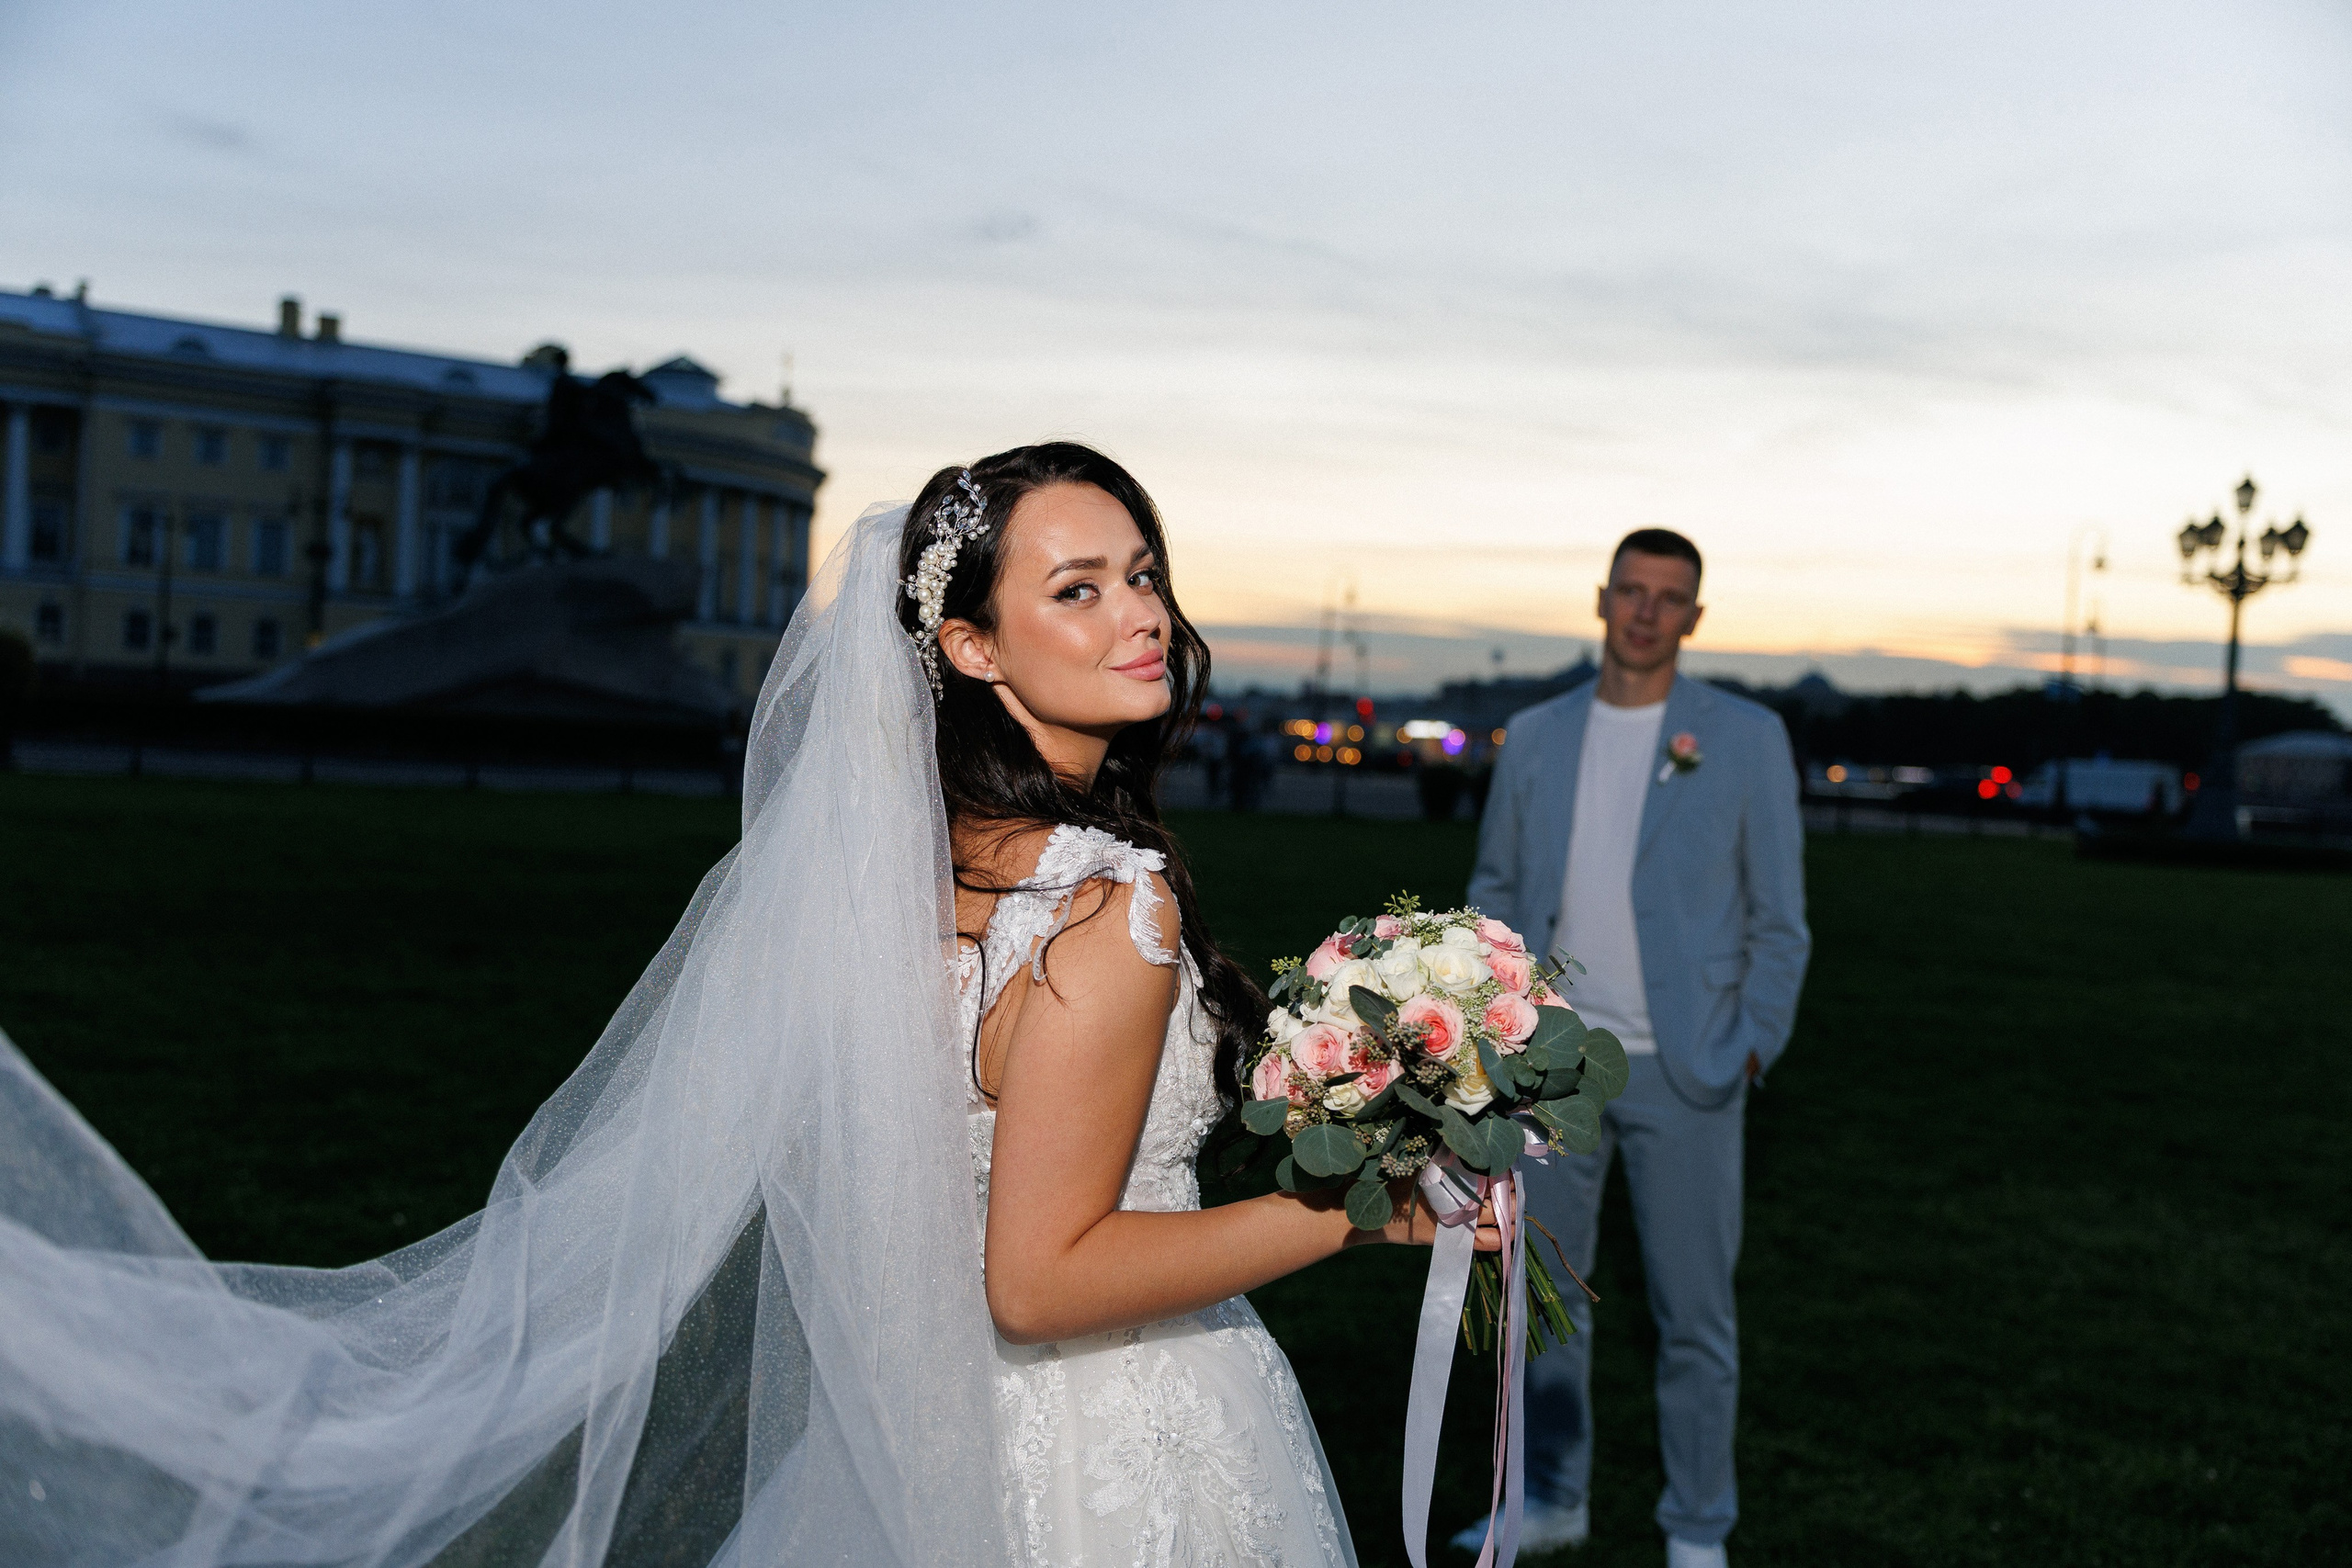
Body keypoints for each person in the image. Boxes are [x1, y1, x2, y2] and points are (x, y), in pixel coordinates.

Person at [0, 441, 1493, 1568]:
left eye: (1145, 571)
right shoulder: (1111, 906)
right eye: (1078, 588)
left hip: (893, 1417)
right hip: (1114, 1445)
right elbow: (1039, 1278)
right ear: (969, 648)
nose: (1140, 614)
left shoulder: (900, 872)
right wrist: (1366, 1209)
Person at [1459, 528, 1809, 1568]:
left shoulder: (1744, 738)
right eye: (1632, 591)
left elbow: (1778, 920)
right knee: (1547, 1304)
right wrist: (1493, 1035)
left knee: (1694, 1313)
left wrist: (1751, 1046)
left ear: (1693, 617)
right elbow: (1494, 894)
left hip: (1691, 1067)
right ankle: (1552, 1499)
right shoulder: (1535, 734)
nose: (1647, 611)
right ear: (1601, 599)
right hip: (1553, 1069)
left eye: (1670, 597)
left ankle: (1697, 1524)